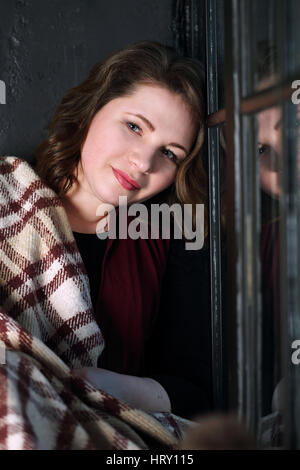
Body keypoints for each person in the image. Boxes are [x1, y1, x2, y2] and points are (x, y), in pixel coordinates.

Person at [33, 40, 212, 419]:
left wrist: (114, 388)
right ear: (93, 109)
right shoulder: (11, 196)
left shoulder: (171, 240)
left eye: (169, 153)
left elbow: (198, 389)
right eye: (134, 126)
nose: (143, 162)